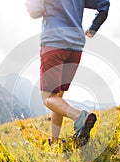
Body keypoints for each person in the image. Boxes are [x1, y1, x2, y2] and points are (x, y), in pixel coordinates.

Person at [26, 0, 110, 146]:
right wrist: (92, 30)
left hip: (54, 42)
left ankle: (80, 117)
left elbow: (35, 12)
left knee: (48, 98)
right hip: (76, 46)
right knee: (58, 96)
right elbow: (104, 4)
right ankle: (55, 140)